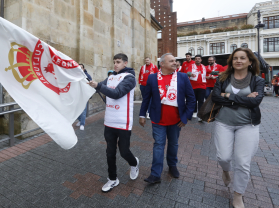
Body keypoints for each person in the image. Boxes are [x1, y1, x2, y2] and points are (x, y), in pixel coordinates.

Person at [212, 48, 265, 208]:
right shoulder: (223, 77)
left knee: (242, 162)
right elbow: (215, 97)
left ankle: (238, 194)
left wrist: (228, 96)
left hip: (247, 125)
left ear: (250, 61)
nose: (239, 61)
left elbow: (255, 101)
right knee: (223, 157)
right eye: (235, 58)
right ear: (231, 61)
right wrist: (242, 100)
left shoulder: (257, 80)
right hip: (224, 123)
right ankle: (226, 171)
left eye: (243, 58)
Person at [139, 53, 195, 184]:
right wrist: (142, 115)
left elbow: (192, 99)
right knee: (158, 145)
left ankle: (172, 165)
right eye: (171, 61)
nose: (175, 63)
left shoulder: (182, 77)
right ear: (162, 64)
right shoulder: (152, 78)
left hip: (176, 120)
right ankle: (155, 174)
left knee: (173, 144)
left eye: (175, 61)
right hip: (158, 119)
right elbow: (146, 99)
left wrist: (186, 117)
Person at [88, 53, 139, 192]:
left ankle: (134, 163)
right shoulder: (111, 77)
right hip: (109, 122)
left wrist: (98, 85)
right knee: (110, 152)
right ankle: (112, 179)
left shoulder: (130, 78)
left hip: (123, 122)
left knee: (124, 152)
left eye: (118, 62)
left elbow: (117, 93)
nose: (115, 64)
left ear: (125, 63)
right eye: (114, 62)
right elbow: (99, 87)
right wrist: (89, 83)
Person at [186, 55, 206, 121]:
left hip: (202, 86)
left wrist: (220, 73)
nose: (197, 60)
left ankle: (200, 115)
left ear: (201, 60)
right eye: (196, 59)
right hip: (193, 86)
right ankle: (194, 112)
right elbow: (188, 72)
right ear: (194, 60)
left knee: (201, 101)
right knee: (194, 100)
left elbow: (210, 71)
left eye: (199, 59)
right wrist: (190, 74)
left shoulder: (204, 67)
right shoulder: (191, 66)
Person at [76, 64, 92, 130]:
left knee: (83, 110)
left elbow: (90, 84)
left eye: (81, 68)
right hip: (77, 95)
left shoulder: (87, 76)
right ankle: (80, 120)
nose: (80, 69)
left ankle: (82, 123)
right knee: (76, 110)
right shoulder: (75, 76)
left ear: (84, 69)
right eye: (79, 68)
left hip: (84, 95)